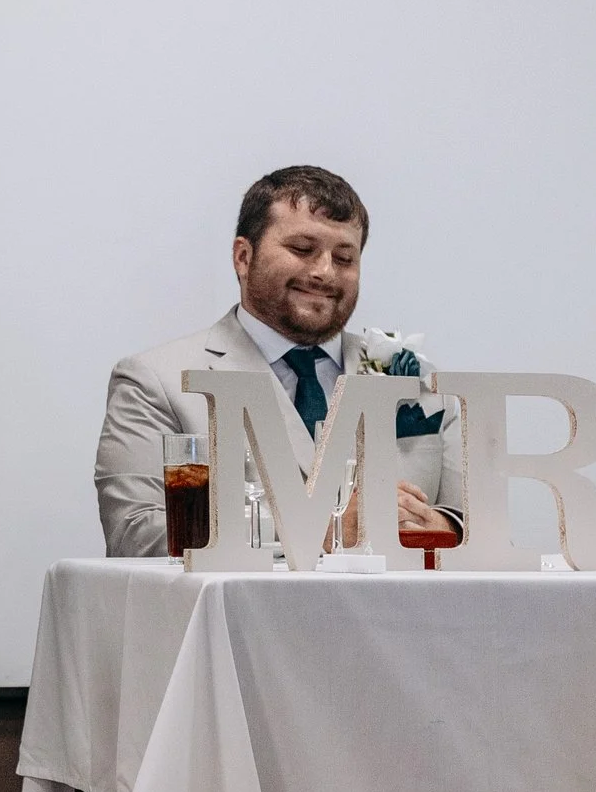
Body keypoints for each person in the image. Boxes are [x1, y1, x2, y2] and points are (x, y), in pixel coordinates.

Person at [93, 165, 461, 558]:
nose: (324, 272)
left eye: (344, 257)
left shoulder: (419, 381)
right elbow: (137, 537)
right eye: (302, 249)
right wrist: (324, 532)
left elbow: (472, 527)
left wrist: (444, 530)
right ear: (243, 257)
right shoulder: (156, 382)